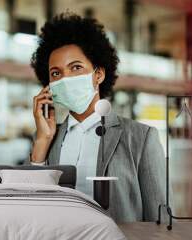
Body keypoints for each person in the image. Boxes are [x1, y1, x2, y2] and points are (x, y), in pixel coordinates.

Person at [27, 12, 165, 222]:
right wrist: (42, 142)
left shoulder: (141, 138)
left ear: (98, 74)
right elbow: (31, 207)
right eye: (56, 73)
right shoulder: (46, 139)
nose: (66, 79)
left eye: (76, 68)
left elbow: (161, 222)